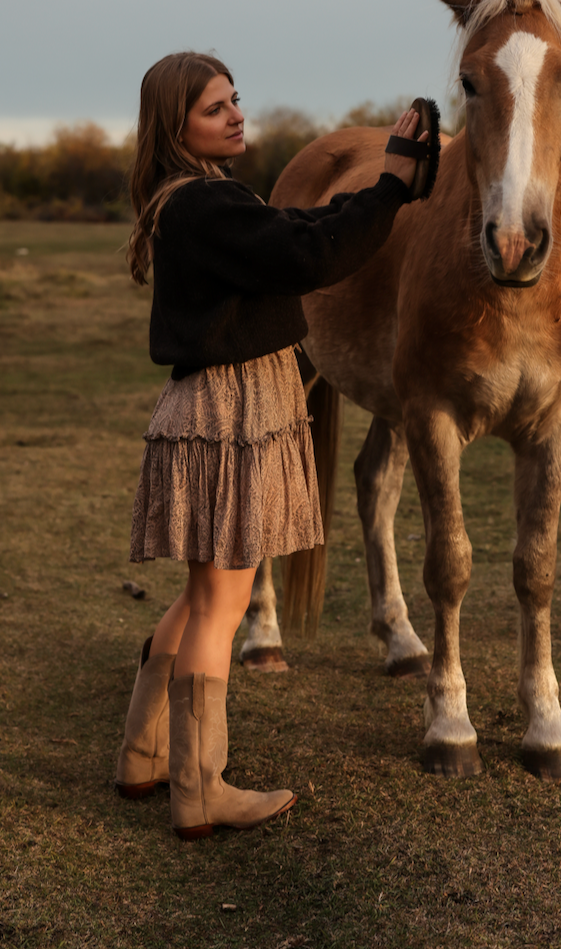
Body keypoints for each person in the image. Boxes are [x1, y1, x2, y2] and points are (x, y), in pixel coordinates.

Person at [113, 51, 433, 840]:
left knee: (201, 597)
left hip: (219, 405)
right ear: (175, 127)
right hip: (233, 411)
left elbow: (301, 229)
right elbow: (309, 256)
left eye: (235, 100)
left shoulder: (201, 200)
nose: (235, 115)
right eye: (214, 108)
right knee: (222, 606)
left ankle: (143, 755)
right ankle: (201, 788)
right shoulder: (207, 205)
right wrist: (391, 185)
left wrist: (380, 187)